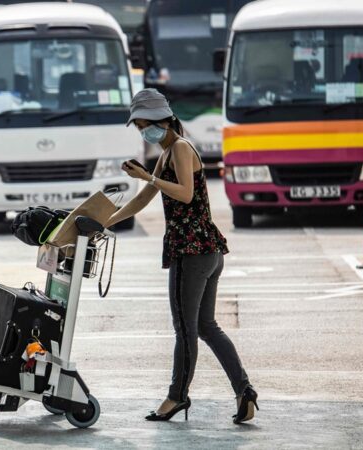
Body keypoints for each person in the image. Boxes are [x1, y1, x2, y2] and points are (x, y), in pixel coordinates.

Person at [106, 88, 258, 424]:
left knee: (185, 329)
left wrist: (148, 176)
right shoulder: (167, 154)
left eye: (144, 124)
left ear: (162, 119)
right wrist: (105, 221)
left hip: (192, 250)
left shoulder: (180, 149)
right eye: (138, 126)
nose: (143, 132)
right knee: (205, 326)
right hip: (205, 250)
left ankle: (176, 397)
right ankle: (244, 390)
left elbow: (186, 195)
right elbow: (142, 200)